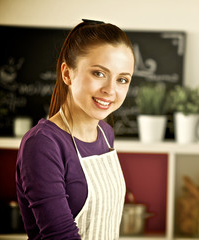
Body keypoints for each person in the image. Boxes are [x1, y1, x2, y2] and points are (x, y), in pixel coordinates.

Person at [16, 19, 135, 239]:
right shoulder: (42, 144)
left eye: (122, 79)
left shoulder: (106, 134)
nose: (110, 90)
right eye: (98, 73)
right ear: (67, 73)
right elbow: (60, 235)